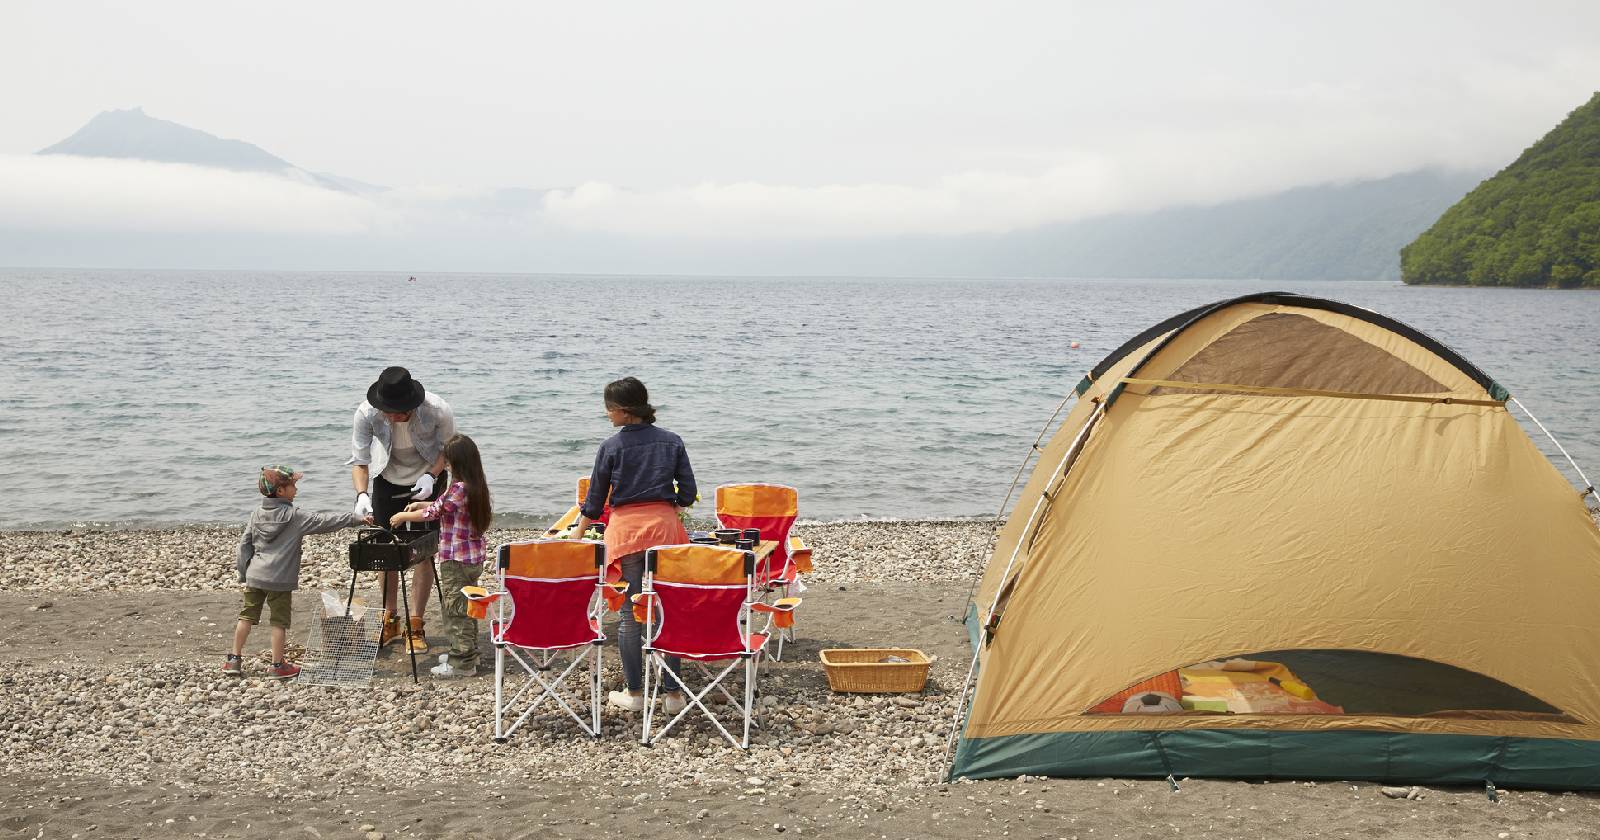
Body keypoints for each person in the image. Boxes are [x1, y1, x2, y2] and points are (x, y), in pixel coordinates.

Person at [572, 376, 697, 714]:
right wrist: (669, 508)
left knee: (629, 613)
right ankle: (672, 695)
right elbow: (687, 492)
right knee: (665, 609)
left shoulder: (611, 447)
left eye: (610, 410)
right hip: (665, 532)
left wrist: (578, 534)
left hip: (626, 534)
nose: (608, 416)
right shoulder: (672, 442)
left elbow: (595, 501)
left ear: (625, 412)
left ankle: (636, 692)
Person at [349, 366, 456, 653]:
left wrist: (432, 476)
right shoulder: (367, 413)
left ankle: (416, 623)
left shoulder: (437, 410)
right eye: (388, 411)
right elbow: (359, 460)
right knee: (386, 552)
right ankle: (390, 618)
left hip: (428, 477)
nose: (392, 416)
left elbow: (450, 450)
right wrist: (361, 495)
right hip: (386, 477)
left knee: (424, 551)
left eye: (398, 411)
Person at [227, 465, 369, 680]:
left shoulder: (256, 513)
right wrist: (355, 519)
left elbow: (244, 545)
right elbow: (325, 521)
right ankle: (277, 665)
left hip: (256, 574)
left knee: (246, 616)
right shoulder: (295, 516)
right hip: (280, 579)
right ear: (281, 492)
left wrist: (244, 573)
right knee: (279, 622)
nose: (296, 489)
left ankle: (233, 660)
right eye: (293, 485)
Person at [389, 433, 491, 679]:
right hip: (471, 557)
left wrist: (403, 517)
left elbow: (434, 513)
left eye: (448, 462)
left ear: (458, 463)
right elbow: (440, 506)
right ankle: (469, 654)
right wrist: (421, 505)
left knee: (454, 609)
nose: (445, 465)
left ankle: (462, 662)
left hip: (456, 559)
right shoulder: (474, 485)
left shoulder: (458, 488)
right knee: (466, 606)